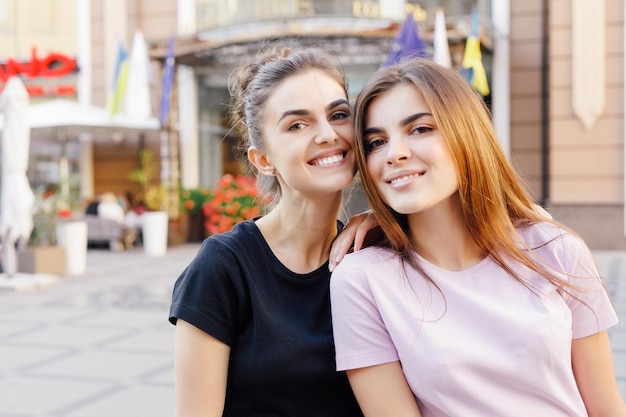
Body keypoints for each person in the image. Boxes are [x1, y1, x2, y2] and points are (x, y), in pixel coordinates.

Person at [329, 59, 626, 417]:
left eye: (421, 129)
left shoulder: (556, 250)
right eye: (376, 142)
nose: (395, 154)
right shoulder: (363, 280)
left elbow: (607, 409)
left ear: (466, 133)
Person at [169, 45, 363, 417]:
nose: (327, 134)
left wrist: (388, 223)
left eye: (338, 115)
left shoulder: (371, 254)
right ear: (263, 159)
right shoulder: (223, 268)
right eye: (297, 124)